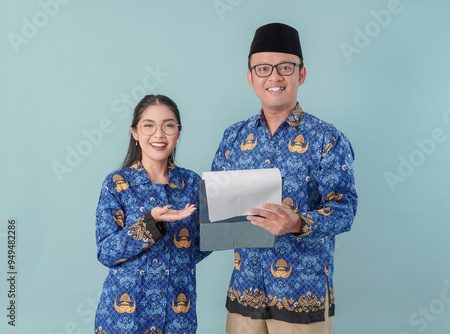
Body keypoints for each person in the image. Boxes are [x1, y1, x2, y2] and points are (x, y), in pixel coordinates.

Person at [211, 23, 358, 334]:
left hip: (302, 296)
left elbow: (345, 210)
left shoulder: (327, 139)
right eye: (263, 68)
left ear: (301, 74)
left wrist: (297, 223)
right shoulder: (233, 137)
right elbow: (216, 211)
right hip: (244, 293)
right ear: (250, 77)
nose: (274, 77)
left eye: (285, 67)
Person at [94, 94, 209, 334]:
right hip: (126, 316)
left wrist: (234, 218)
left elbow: (198, 249)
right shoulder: (116, 184)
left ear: (178, 133)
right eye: (149, 126)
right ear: (135, 133)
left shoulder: (192, 184)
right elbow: (106, 253)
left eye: (168, 125)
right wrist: (150, 223)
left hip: (177, 314)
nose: (159, 134)